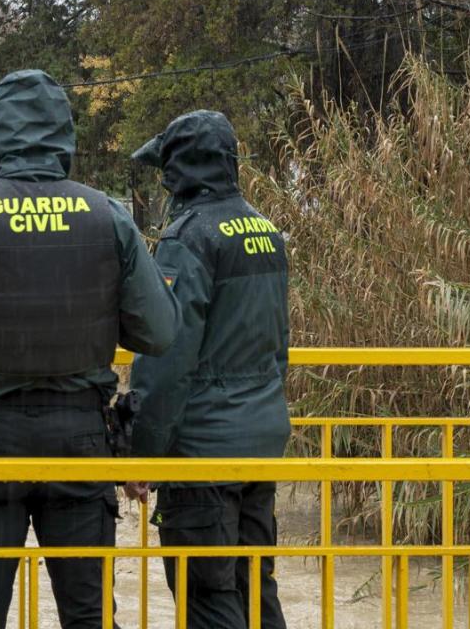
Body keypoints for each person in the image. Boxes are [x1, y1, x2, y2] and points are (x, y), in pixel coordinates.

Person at [0, 69, 178, 629]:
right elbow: (159, 332)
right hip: (80, 438)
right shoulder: (108, 215)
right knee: (89, 616)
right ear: (64, 136)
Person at [126, 110, 289, 629]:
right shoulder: (266, 231)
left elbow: (166, 357)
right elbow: (278, 346)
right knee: (255, 587)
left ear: (181, 170)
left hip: (204, 451)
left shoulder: (189, 238)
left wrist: (142, 454)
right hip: (260, 440)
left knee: (208, 595)